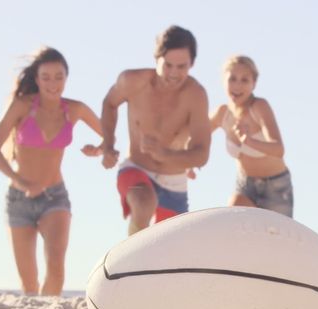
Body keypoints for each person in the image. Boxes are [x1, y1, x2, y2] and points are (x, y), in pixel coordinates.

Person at [0, 47, 103, 295]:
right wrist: (20, 181)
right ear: (37, 79)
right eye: (46, 77)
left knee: (56, 268)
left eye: (59, 77)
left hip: (55, 197)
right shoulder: (22, 106)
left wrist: (100, 149)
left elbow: (110, 139)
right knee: (29, 282)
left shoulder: (75, 109)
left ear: (66, 78)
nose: (53, 84)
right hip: (19, 200)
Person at [98, 25, 211, 235]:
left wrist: (164, 154)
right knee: (143, 203)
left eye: (181, 67)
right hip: (136, 169)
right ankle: (130, 262)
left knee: (170, 251)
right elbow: (109, 103)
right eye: (168, 65)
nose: (174, 74)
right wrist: (108, 145)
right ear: (156, 59)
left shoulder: (196, 96)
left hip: (174, 182)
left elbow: (201, 154)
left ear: (192, 64)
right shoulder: (132, 81)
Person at [208, 55, 293, 217]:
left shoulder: (259, 107)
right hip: (246, 185)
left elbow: (279, 149)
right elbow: (198, 138)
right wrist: (187, 165)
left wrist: (249, 141)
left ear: (254, 83)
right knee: (232, 219)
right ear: (223, 81)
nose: (237, 85)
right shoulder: (222, 113)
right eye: (232, 79)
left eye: (244, 80)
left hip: (276, 186)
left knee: (276, 241)